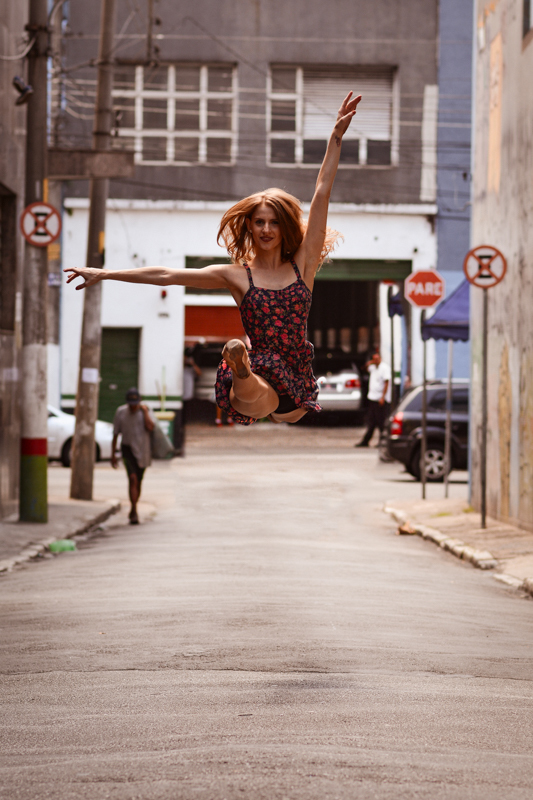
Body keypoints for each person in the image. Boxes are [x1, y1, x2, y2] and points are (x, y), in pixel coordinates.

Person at [65, 91, 362, 426]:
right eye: (259, 222)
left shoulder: (302, 265)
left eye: (274, 222)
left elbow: (322, 192)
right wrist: (104, 273)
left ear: (285, 226)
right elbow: (167, 275)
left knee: (279, 408)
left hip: (294, 375)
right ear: (249, 226)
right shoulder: (237, 276)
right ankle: (241, 368)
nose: (266, 229)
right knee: (259, 396)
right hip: (260, 371)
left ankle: (242, 368)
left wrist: (336, 137)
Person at [111, 388, 155, 524]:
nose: (133, 407)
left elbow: (151, 427)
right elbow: (115, 434)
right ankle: (134, 510)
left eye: (135, 404)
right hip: (127, 449)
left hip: (143, 451)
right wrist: (113, 455)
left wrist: (145, 412)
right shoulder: (121, 412)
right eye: (131, 404)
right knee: (132, 479)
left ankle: (134, 506)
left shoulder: (145, 411)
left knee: (139, 481)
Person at [355, 351, 391, 447]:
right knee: (371, 421)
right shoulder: (372, 367)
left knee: (380, 421)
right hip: (372, 397)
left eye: (377, 359)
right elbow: (363, 369)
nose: (376, 361)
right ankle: (366, 441)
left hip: (380, 399)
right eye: (374, 359)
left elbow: (386, 383)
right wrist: (369, 363)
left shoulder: (385, 368)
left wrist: (383, 397)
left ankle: (382, 441)